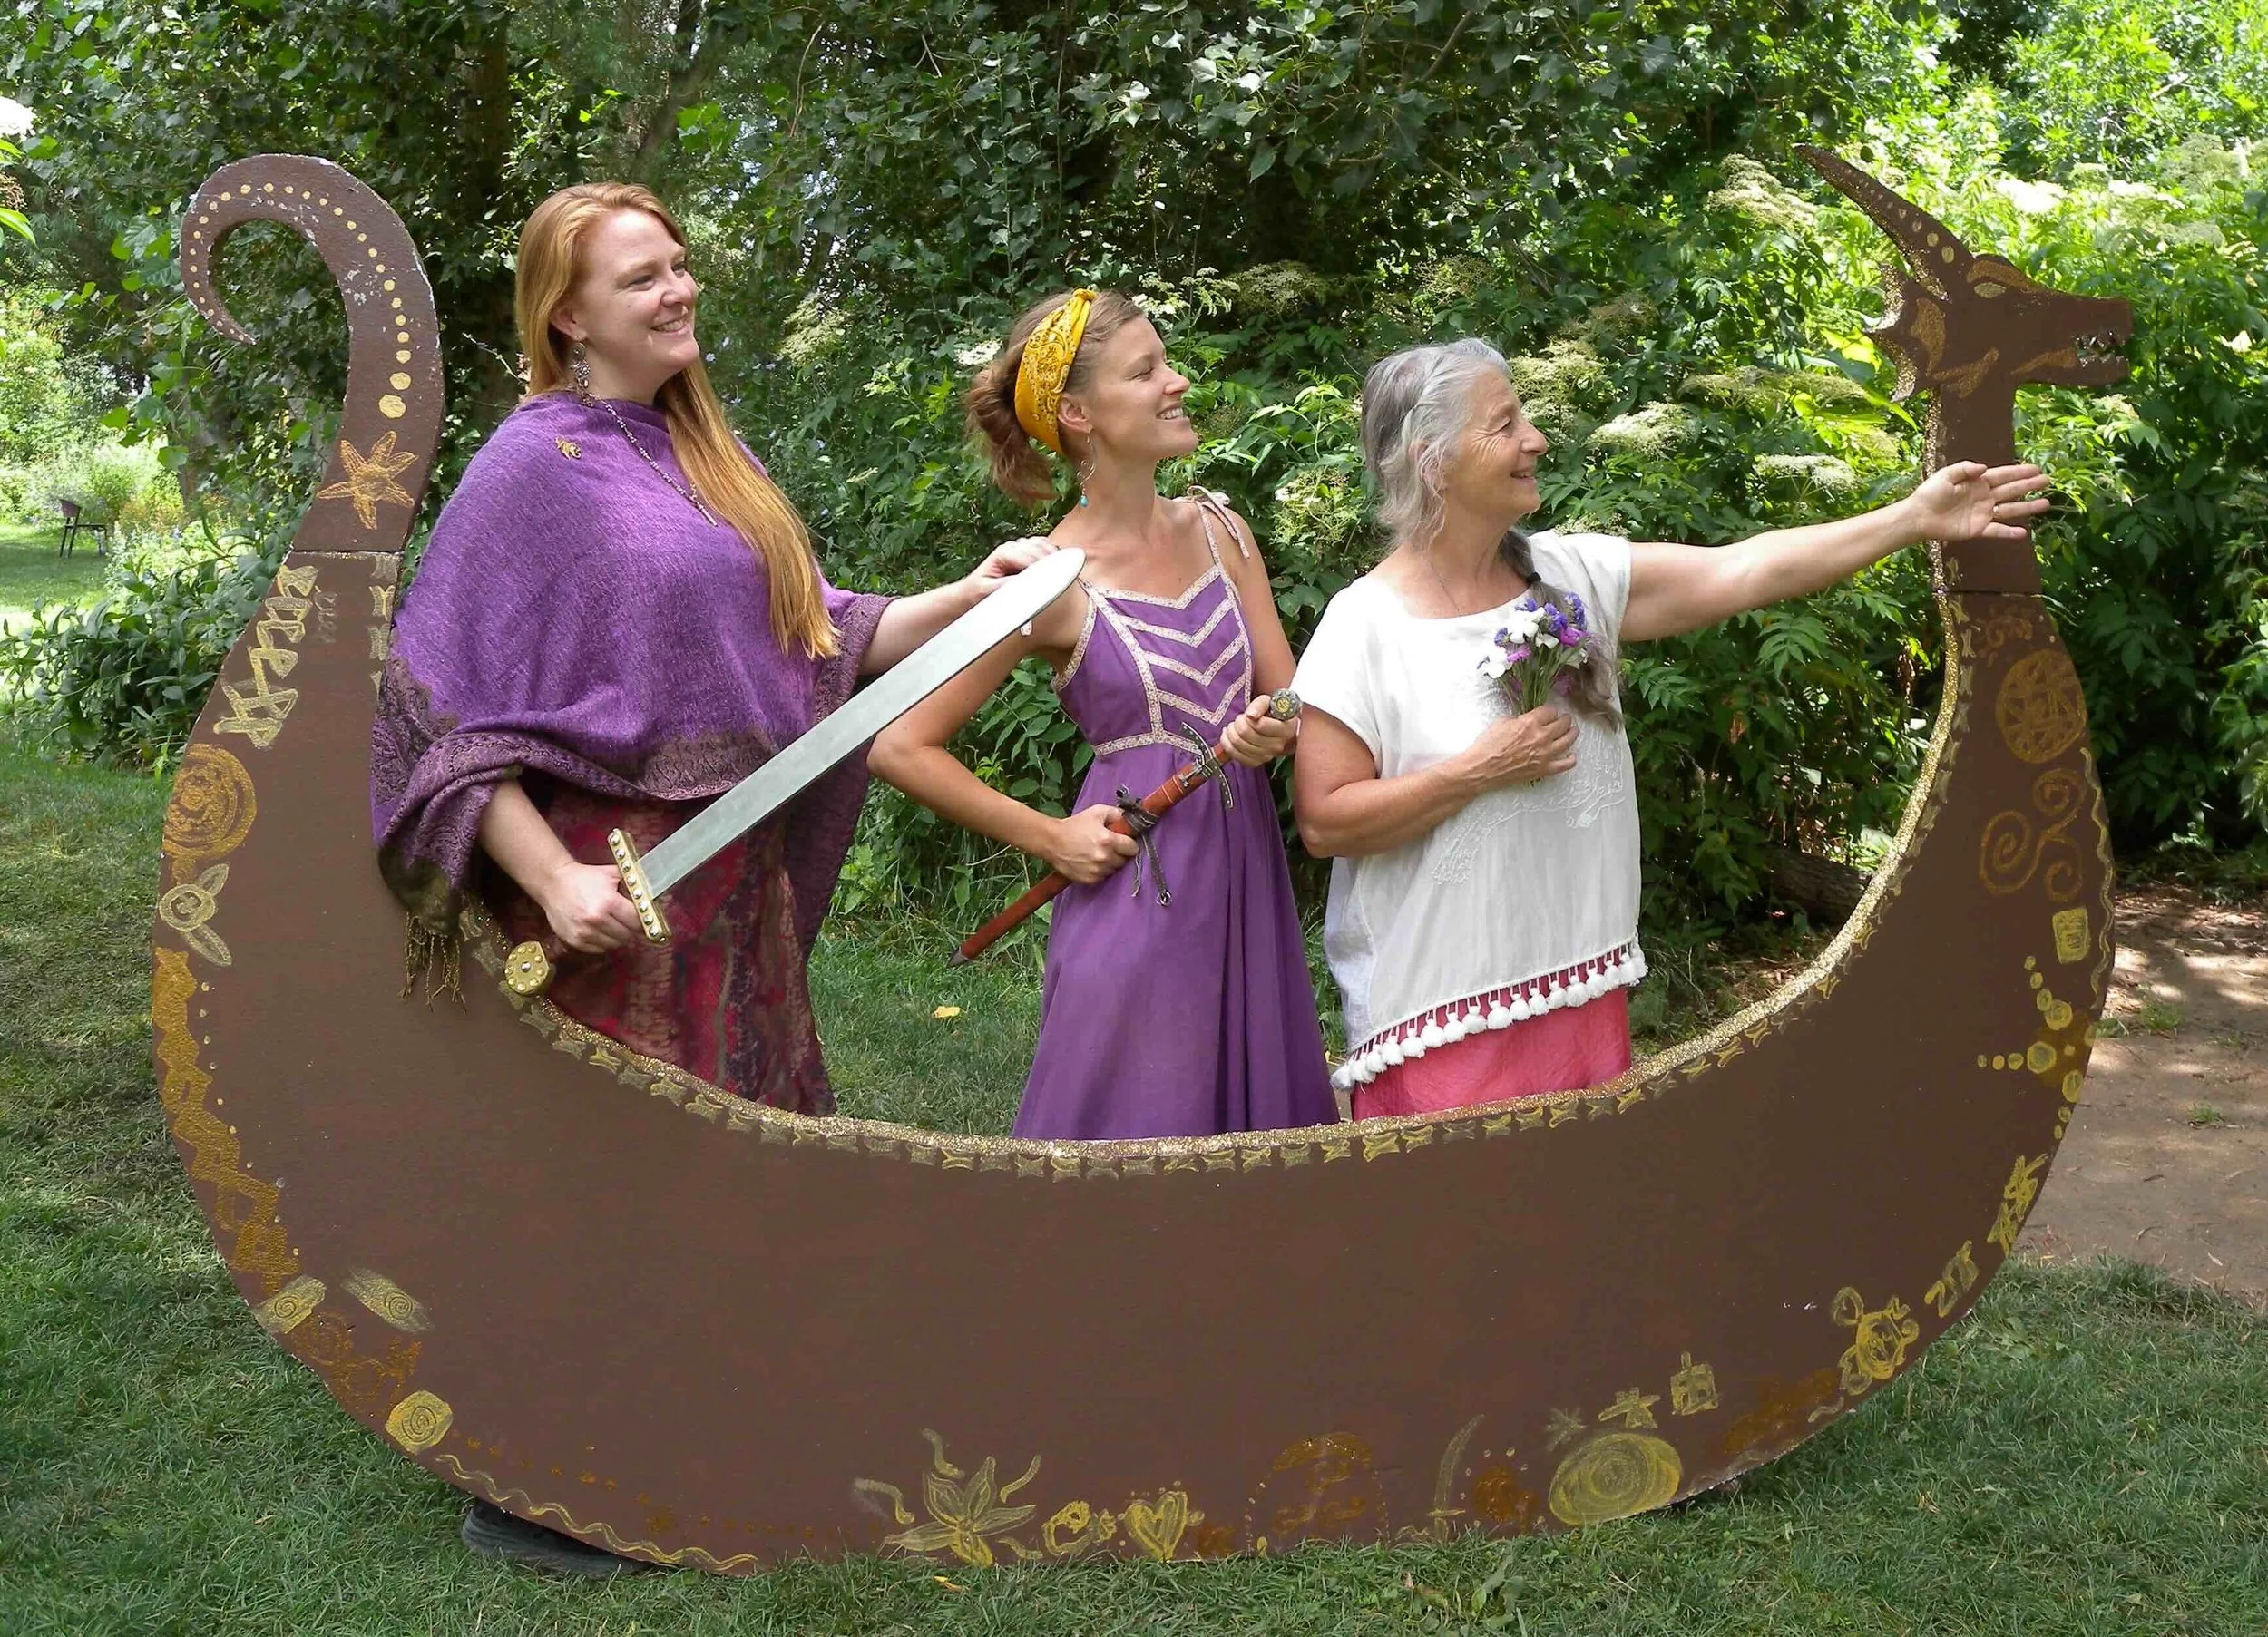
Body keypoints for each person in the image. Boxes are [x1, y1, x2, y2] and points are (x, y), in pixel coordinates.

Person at [369, 182, 1046, 1574]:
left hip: (732, 893)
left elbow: (822, 638)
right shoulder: (529, 470)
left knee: (734, 1167)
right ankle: (552, 1482)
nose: (677, 292)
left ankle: (707, 1443)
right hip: (606, 893)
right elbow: (442, 705)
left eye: (679, 267)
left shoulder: (705, 455)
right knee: (608, 1179)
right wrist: (551, 879)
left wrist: (973, 593)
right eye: (641, 279)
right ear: (569, 315)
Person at [1291, 337, 2048, 1119]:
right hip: (1442, 1015)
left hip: (1575, 986)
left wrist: (1914, 517)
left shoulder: (1568, 577)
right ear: (1432, 460)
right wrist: (1473, 771)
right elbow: (1324, 820)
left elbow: (1744, 569)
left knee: (1582, 1228)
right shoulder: (1364, 627)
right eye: (1505, 422)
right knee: (1456, 1234)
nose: (1536, 439)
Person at [869, 289, 1338, 1140]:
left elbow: (1292, 699)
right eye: (1146, 369)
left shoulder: (1225, 531)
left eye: (1169, 362)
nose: (1178, 381)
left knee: (1257, 1170)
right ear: (1078, 413)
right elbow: (901, 746)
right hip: (1136, 895)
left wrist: (1275, 725)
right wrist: (1048, 836)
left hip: (1246, 893)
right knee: (1125, 1161)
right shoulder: (1050, 581)